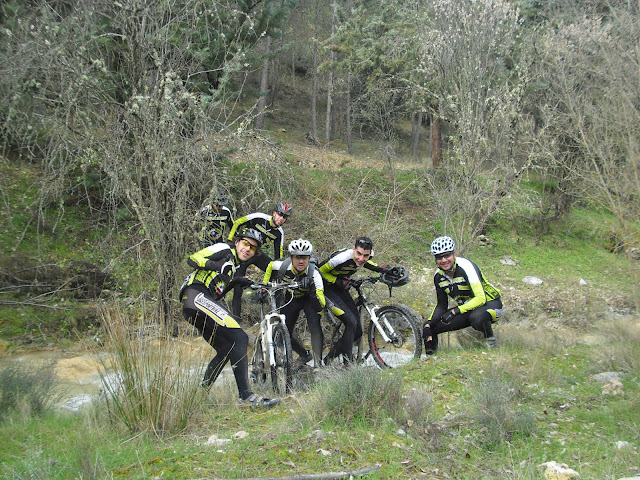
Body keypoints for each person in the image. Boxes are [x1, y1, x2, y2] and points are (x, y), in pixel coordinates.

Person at [179, 227, 280, 408]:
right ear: (237, 242)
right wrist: (216, 265)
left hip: (197, 303)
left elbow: (217, 293)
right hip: (195, 295)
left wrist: (236, 282)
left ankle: (200, 396)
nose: (248, 249)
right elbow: (192, 259)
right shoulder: (223, 250)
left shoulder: (234, 267)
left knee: (227, 348)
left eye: (253, 248)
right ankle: (246, 397)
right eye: (246, 243)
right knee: (239, 337)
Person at [318, 236, 393, 364]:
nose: (361, 259)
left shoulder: (365, 257)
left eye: (366, 255)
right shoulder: (341, 258)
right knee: (351, 322)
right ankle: (348, 366)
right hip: (326, 288)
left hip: (341, 287)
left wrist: (383, 270)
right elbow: (319, 271)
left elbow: (368, 264)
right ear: (353, 248)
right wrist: (337, 281)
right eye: (358, 254)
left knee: (357, 331)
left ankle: (327, 361)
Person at [422, 235, 503, 355]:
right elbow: (441, 305)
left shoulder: (466, 266)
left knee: (477, 318)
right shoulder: (438, 276)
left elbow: (481, 298)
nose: (444, 260)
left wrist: (455, 311)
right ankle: (430, 359)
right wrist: (429, 323)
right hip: (466, 309)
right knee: (429, 327)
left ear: (454, 254)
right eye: (439, 257)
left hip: (490, 304)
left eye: (447, 255)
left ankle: (491, 346)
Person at [263, 238, 326, 368]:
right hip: (292, 297)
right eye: (297, 257)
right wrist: (265, 287)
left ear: (310, 258)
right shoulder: (282, 266)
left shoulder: (314, 274)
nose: (301, 261)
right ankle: (304, 354)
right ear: (291, 257)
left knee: (314, 325)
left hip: (309, 299)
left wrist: (312, 289)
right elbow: (270, 266)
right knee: (286, 330)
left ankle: (318, 365)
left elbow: (321, 305)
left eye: (305, 257)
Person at [227, 201, 293, 318]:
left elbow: (278, 255)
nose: (281, 218)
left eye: (285, 217)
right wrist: (230, 241)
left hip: (256, 253)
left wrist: (279, 273)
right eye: (280, 214)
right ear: (274, 213)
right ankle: (236, 318)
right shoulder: (259, 217)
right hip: (243, 252)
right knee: (238, 287)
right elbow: (237, 223)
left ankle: (277, 312)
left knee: (276, 275)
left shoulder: (279, 233)